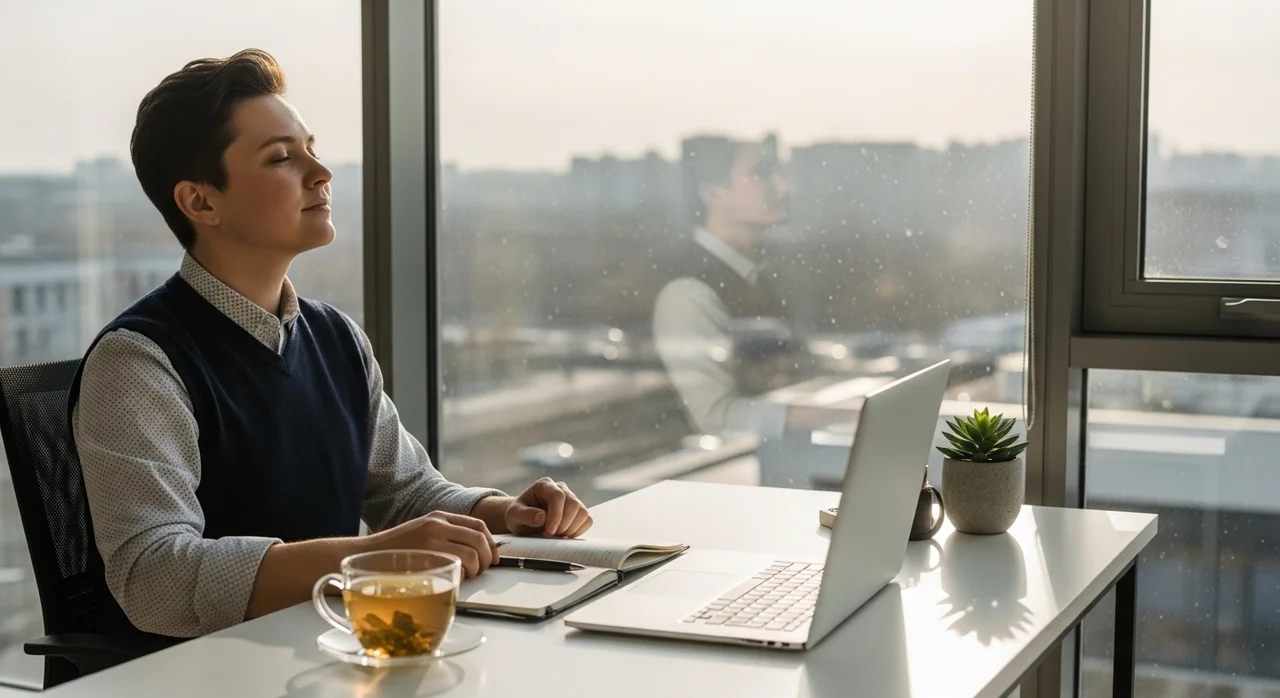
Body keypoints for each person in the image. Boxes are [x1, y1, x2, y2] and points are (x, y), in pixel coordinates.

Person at [69, 49, 592, 639]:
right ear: (201, 201)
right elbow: (154, 578)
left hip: (330, 650)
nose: (322, 173)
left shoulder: (335, 336)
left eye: (311, 149)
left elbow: (406, 491)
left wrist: (501, 514)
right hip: (214, 674)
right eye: (282, 158)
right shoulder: (138, 362)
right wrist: (367, 560)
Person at [652, 134, 802, 435]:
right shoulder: (687, 292)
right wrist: (839, 417)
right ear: (712, 194)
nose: (784, 187)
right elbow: (717, 419)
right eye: (761, 173)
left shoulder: (755, 275)